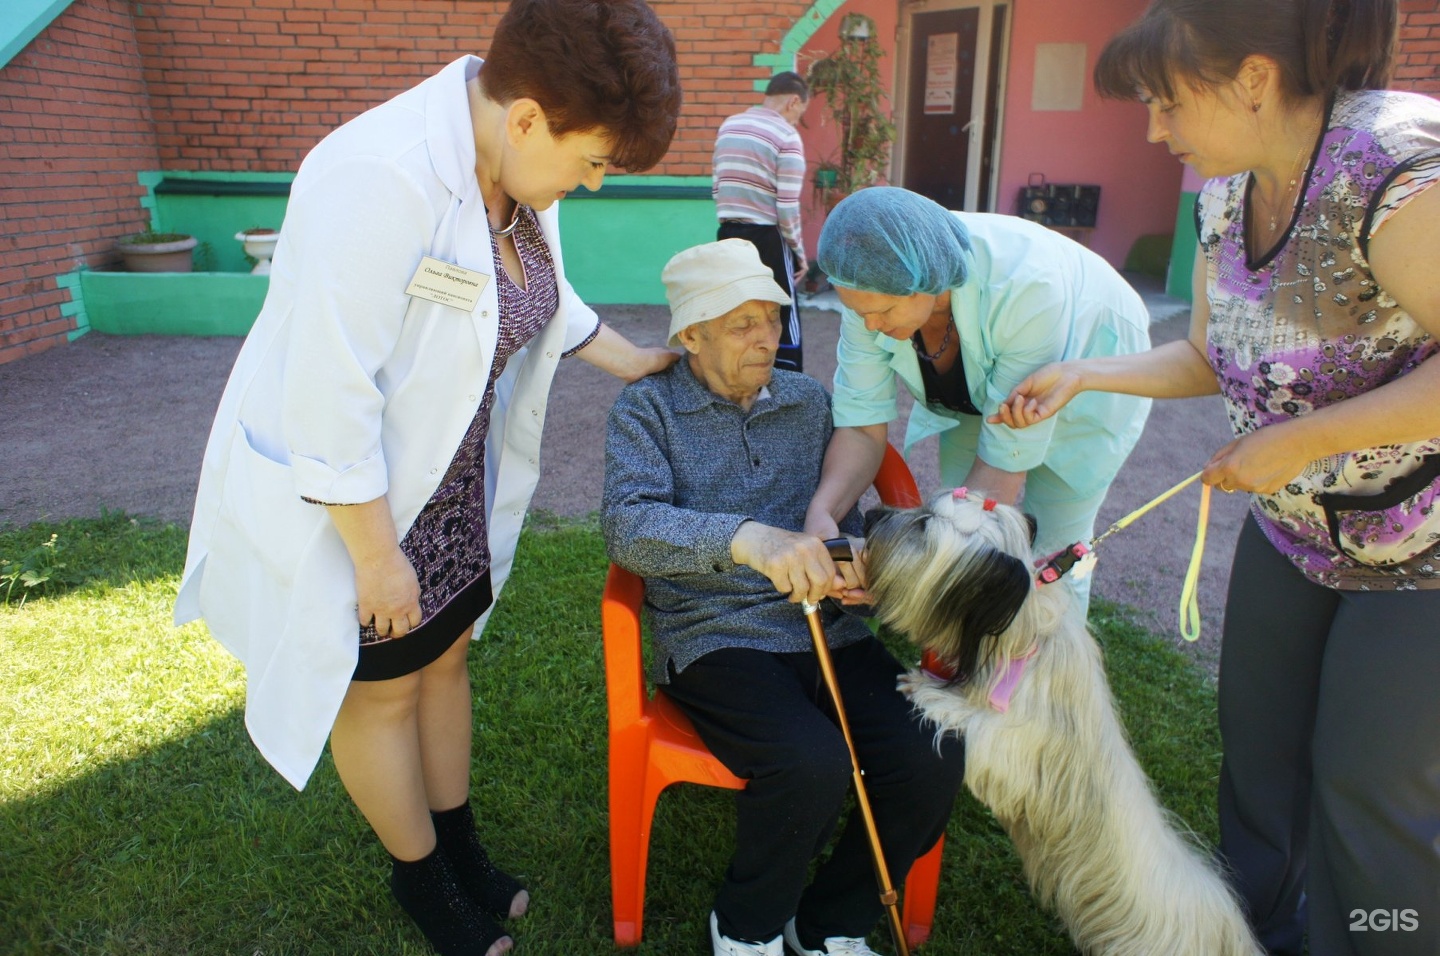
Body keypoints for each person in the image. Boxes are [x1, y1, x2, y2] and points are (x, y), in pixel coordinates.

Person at [172, 2, 680, 954]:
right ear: (528, 117)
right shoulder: (382, 175)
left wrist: (639, 359)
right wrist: (373, 558)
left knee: (445, 660)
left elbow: (548, 303)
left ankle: (458, 845)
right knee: (381, 692)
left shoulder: (516, 179)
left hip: (451, 488)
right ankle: (420, 881)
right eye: (597, 158)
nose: (597, 182)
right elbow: (330, 390)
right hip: (361, 503)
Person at [992, 1, 1440, 952]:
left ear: (1252, 80)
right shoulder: (1228, 193)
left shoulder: (1397, 169)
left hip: (1424, 557)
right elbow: (1210, 353)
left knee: (1369, 794)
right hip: (1292, 536)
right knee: (1261, 767)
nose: (1154, 131)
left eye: (1164, 103)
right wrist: (1088, 371)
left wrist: (1303, 439)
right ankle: (1253, 937)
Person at [602, 239, 964, 956]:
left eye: (773, 318)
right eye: (741, 324)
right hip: (715, 636)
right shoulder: (647, 411)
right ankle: (747, 925)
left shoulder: (808, 402)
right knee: (810, 762)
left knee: (934, 751)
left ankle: (829, 919)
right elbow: (628, 527)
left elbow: (845, 514)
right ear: (691, 336)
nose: (766, 337)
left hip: (828, 631)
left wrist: (854, 564)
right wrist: (748, 540)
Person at [804, 187, 1152, 612]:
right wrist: (824, 513)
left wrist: (915, 574)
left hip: (1093, 365)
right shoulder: (870, 292)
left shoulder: (1027, 287)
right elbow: (861, 426)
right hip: (979, 390)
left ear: (925, 285)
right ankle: (957, 663)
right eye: (859, 312)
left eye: (884, 313)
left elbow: (1003, 463)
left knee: (1055, 550)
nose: (871, 326)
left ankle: (1053, 673)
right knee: (960, 510)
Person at [713, 71, 811, 373]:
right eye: (800, 113)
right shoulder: (786, 136)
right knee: (782, 311)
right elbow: (786, 205)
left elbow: (718, 186)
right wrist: (799, 253)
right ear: (794, 101)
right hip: (767, 236)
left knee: (738, 310)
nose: (796, 120)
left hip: (728, 234)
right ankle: (788, 383)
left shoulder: (729, 126)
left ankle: (739, 378)